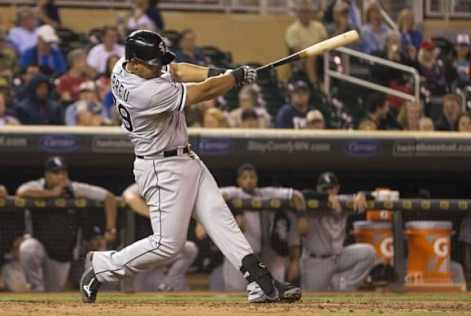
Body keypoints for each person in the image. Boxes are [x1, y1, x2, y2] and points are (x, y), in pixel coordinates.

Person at [79, 29, 301, 304]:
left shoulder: (123, 66)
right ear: (135, 64)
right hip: (161, 168)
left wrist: (225, 71)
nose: (159, 68)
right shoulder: (145, 93)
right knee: (167, 246)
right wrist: (235, 78)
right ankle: (103, 266)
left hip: (185, 159)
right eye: (152, 65)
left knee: (220, 217)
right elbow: (203, 92)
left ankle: (260, 282)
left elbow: (178, 70)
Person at [16, 156, 118, 292]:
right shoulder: (38, 186)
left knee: (53, 292)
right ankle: (35, 291)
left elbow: (109, 197)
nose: (61, 176)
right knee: (28, 248)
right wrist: (51, 193)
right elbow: (21, 192)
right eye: (56, 173)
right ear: (47, 174)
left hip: (61, 254)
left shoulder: (74, 188)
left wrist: (110, 228)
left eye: (63, 172)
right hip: (41, 247)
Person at [220, 164, 306, 291]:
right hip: (236, 258)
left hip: (259, 257)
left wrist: (302, 215)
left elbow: (296, 195)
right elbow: (215, 195)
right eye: (245, 177)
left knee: (265, 295)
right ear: (238, 181)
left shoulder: (263, 193)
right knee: (235, 295)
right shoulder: (235, 192)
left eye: (252, 177)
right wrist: (237, 211)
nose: (249, 180)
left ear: (257, 179)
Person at [296, 171, 376, 291]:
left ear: (337, 188)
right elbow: (302, 194)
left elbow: (373, 196)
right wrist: (326, 197)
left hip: (339, 257)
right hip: (316, 262)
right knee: (311, 302)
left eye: (331, 188)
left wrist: (362, 194)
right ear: (318, 189)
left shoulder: (343, 201)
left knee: (368, 252)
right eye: (324, 189)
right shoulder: (312, 204)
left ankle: (346, 289)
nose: (329, 191)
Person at [122, 183, 198, 291]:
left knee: (190, 249)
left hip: (163, 253)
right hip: (141, 257)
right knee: (137, 294)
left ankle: (167, 284)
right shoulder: (146, 183)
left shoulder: (175, 188)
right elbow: (129, 197)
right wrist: (155, 214)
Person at [285, 0, 328, 85]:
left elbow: (324, 41)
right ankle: (314, 84)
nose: (305, 14)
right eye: (303, 12)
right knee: (310, 58)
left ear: (311, 13)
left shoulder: (319, 26)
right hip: (301, 56)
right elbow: (295, 48)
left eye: (308, 12)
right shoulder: (292, 29)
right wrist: (311, 50)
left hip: (320, 54)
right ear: (298, 13)